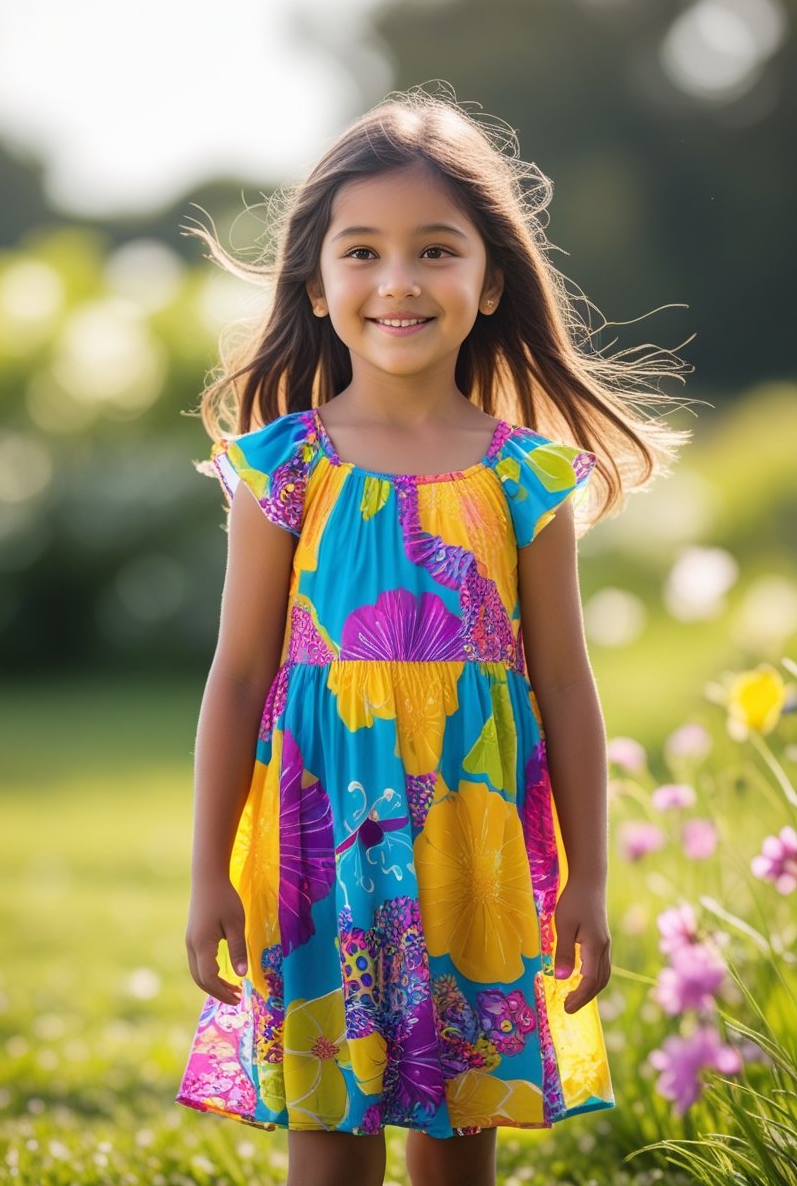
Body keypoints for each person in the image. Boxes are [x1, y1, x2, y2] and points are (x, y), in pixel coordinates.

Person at [175, 84, 695, 1186]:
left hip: (478, 850)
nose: (398, 280)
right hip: (319, 853)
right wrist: (207, 872)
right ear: (315, 285)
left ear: (489, 278)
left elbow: (563, 680)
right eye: (360, 251)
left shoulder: (525, 477)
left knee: (460, 1152)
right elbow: (235, 680)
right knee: (331, 1143)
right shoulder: (282, 469)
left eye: (435, 250)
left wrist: (588, 882)